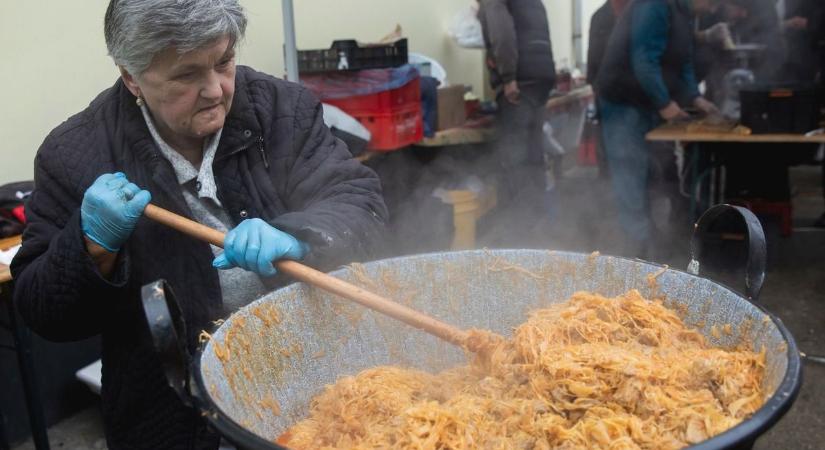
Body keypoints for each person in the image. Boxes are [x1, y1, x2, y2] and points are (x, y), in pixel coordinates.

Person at [10, 1, 387, 448]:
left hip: (316, 380)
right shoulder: (75, 155)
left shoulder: (280, 108)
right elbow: (44, 312)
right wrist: (91, 246)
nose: (215, 90)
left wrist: (299, 234)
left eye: (224, 61)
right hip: (173, 410)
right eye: (187, 75)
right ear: (132, 77)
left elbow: (360, 203)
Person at [596, 0, 720, 257]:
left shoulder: (684, 13)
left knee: (652, 174)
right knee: (630, 174)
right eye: (713, 1)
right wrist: (665, 103)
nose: (713, 8)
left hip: (646, 101)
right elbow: (644, 58)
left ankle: (650, 243)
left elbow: (684, 64)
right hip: (622, 99)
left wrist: (697, 99)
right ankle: (635, 252)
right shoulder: (655, 4)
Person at [477, 0, 556, 237]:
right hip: (541, 78)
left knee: (514, 161)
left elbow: (502, 31)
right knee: (534, 155)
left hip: (520, 82)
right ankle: (540, 231)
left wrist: (508, 76)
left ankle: (518, 237)